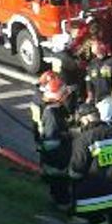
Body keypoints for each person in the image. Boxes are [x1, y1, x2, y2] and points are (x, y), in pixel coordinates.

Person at [34, 73, 74, 211]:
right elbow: (52, 141)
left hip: (54, 159)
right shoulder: (51, 114)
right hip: (57, 162)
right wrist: (68, 137)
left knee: (59, 188)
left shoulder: (53, 110)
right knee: (61, 190)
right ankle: (64, 210)